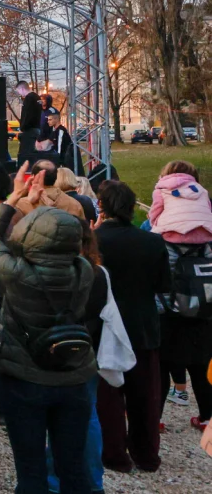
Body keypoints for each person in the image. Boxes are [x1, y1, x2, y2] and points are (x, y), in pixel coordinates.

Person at [0, 161, 104, 494]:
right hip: (74, 375)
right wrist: (46, 212)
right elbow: (61, 239)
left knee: (31, 470)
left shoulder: (17, 273)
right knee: (72, 467)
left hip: (24, 379)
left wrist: (15, 198)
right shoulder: (85, 271)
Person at [93, 180, 168, 473]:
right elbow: (163, 284)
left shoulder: (94, 241)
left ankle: (114, 454)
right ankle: (146, 454)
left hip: (105, 326)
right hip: (142, 323)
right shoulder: (152, 242)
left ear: (102, 206)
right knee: (145, 397)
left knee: (109, 395)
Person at [148, 160, 212, 430]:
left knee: (162, 364)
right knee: (201, 363)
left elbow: (154, 216)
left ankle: (155, 418)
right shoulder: (202, 191)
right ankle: (207, 416)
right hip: (202, 299)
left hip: (170, 242)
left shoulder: (161, 188)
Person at [10, 160, 86, 223]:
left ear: (33, 177)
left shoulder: (20, 205)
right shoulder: (74, 204)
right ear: (56, 177)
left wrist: (17, 193)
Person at [16, 81, 43, 163]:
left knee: (25, 154)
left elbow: (27, 115)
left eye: (19, 91)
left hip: (29, 130)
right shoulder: (37, 97)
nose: (20, 94)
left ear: (22, 88)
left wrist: (22, 128)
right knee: (32, 152)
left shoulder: (29, 98)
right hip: (37, 128)